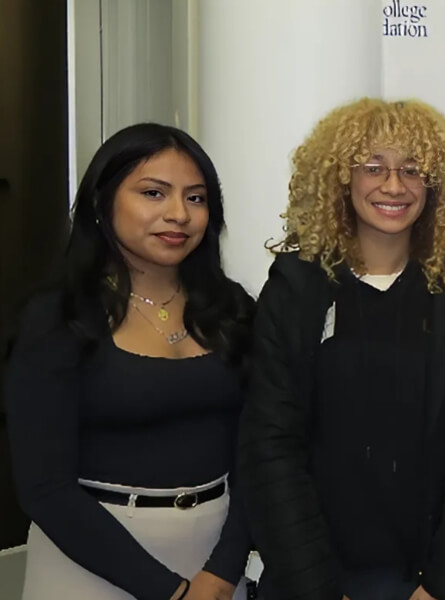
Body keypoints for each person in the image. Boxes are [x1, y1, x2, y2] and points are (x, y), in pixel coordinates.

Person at [236, 98, 445, 600]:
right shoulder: (296, 288)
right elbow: (270, 445)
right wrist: (314, 586)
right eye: (373, 168)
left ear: (435, 185)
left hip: (421, 582)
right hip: (312, 577)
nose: (393, 186)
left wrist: (444, 586)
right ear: (341, 179)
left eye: (412, 169)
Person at [4, 123, 254, 600]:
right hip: (90, 566)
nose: (178, 214)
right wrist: (171, 592)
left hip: (215, 568)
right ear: (102, 203)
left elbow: (259, 453)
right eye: (154, 193)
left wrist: (222, 571)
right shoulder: (58, 317)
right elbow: (44, 487)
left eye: (196, 198)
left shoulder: (234, 309)